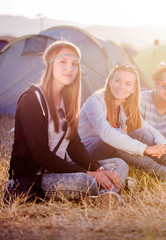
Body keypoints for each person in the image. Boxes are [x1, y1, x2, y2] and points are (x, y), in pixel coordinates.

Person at [7, 40, 127, 205]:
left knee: (118, 165)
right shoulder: (32, 99)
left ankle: (101, 197)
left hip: (62, 169)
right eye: (63, 62)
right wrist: (89, 174)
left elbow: (74, 145)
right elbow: (41, 155)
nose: (70, 67)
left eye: (75, 63)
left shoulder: (67, 100)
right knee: (87, 182)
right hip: (37, 177)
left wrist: (97, 169)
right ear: (50, 65)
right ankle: (104, 191)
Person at [78, 62, 166, 187]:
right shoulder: (96, 101)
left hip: (111, 154)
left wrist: (164, 144)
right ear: (110, 80)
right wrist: (146, 149)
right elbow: (107, 134)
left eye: (128, 84)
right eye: (117, 81)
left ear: (133, 89)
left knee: (142, 133)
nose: (122, 86)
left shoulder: (123, 105)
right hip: (86, 154)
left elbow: (146, 127)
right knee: (119, 135)